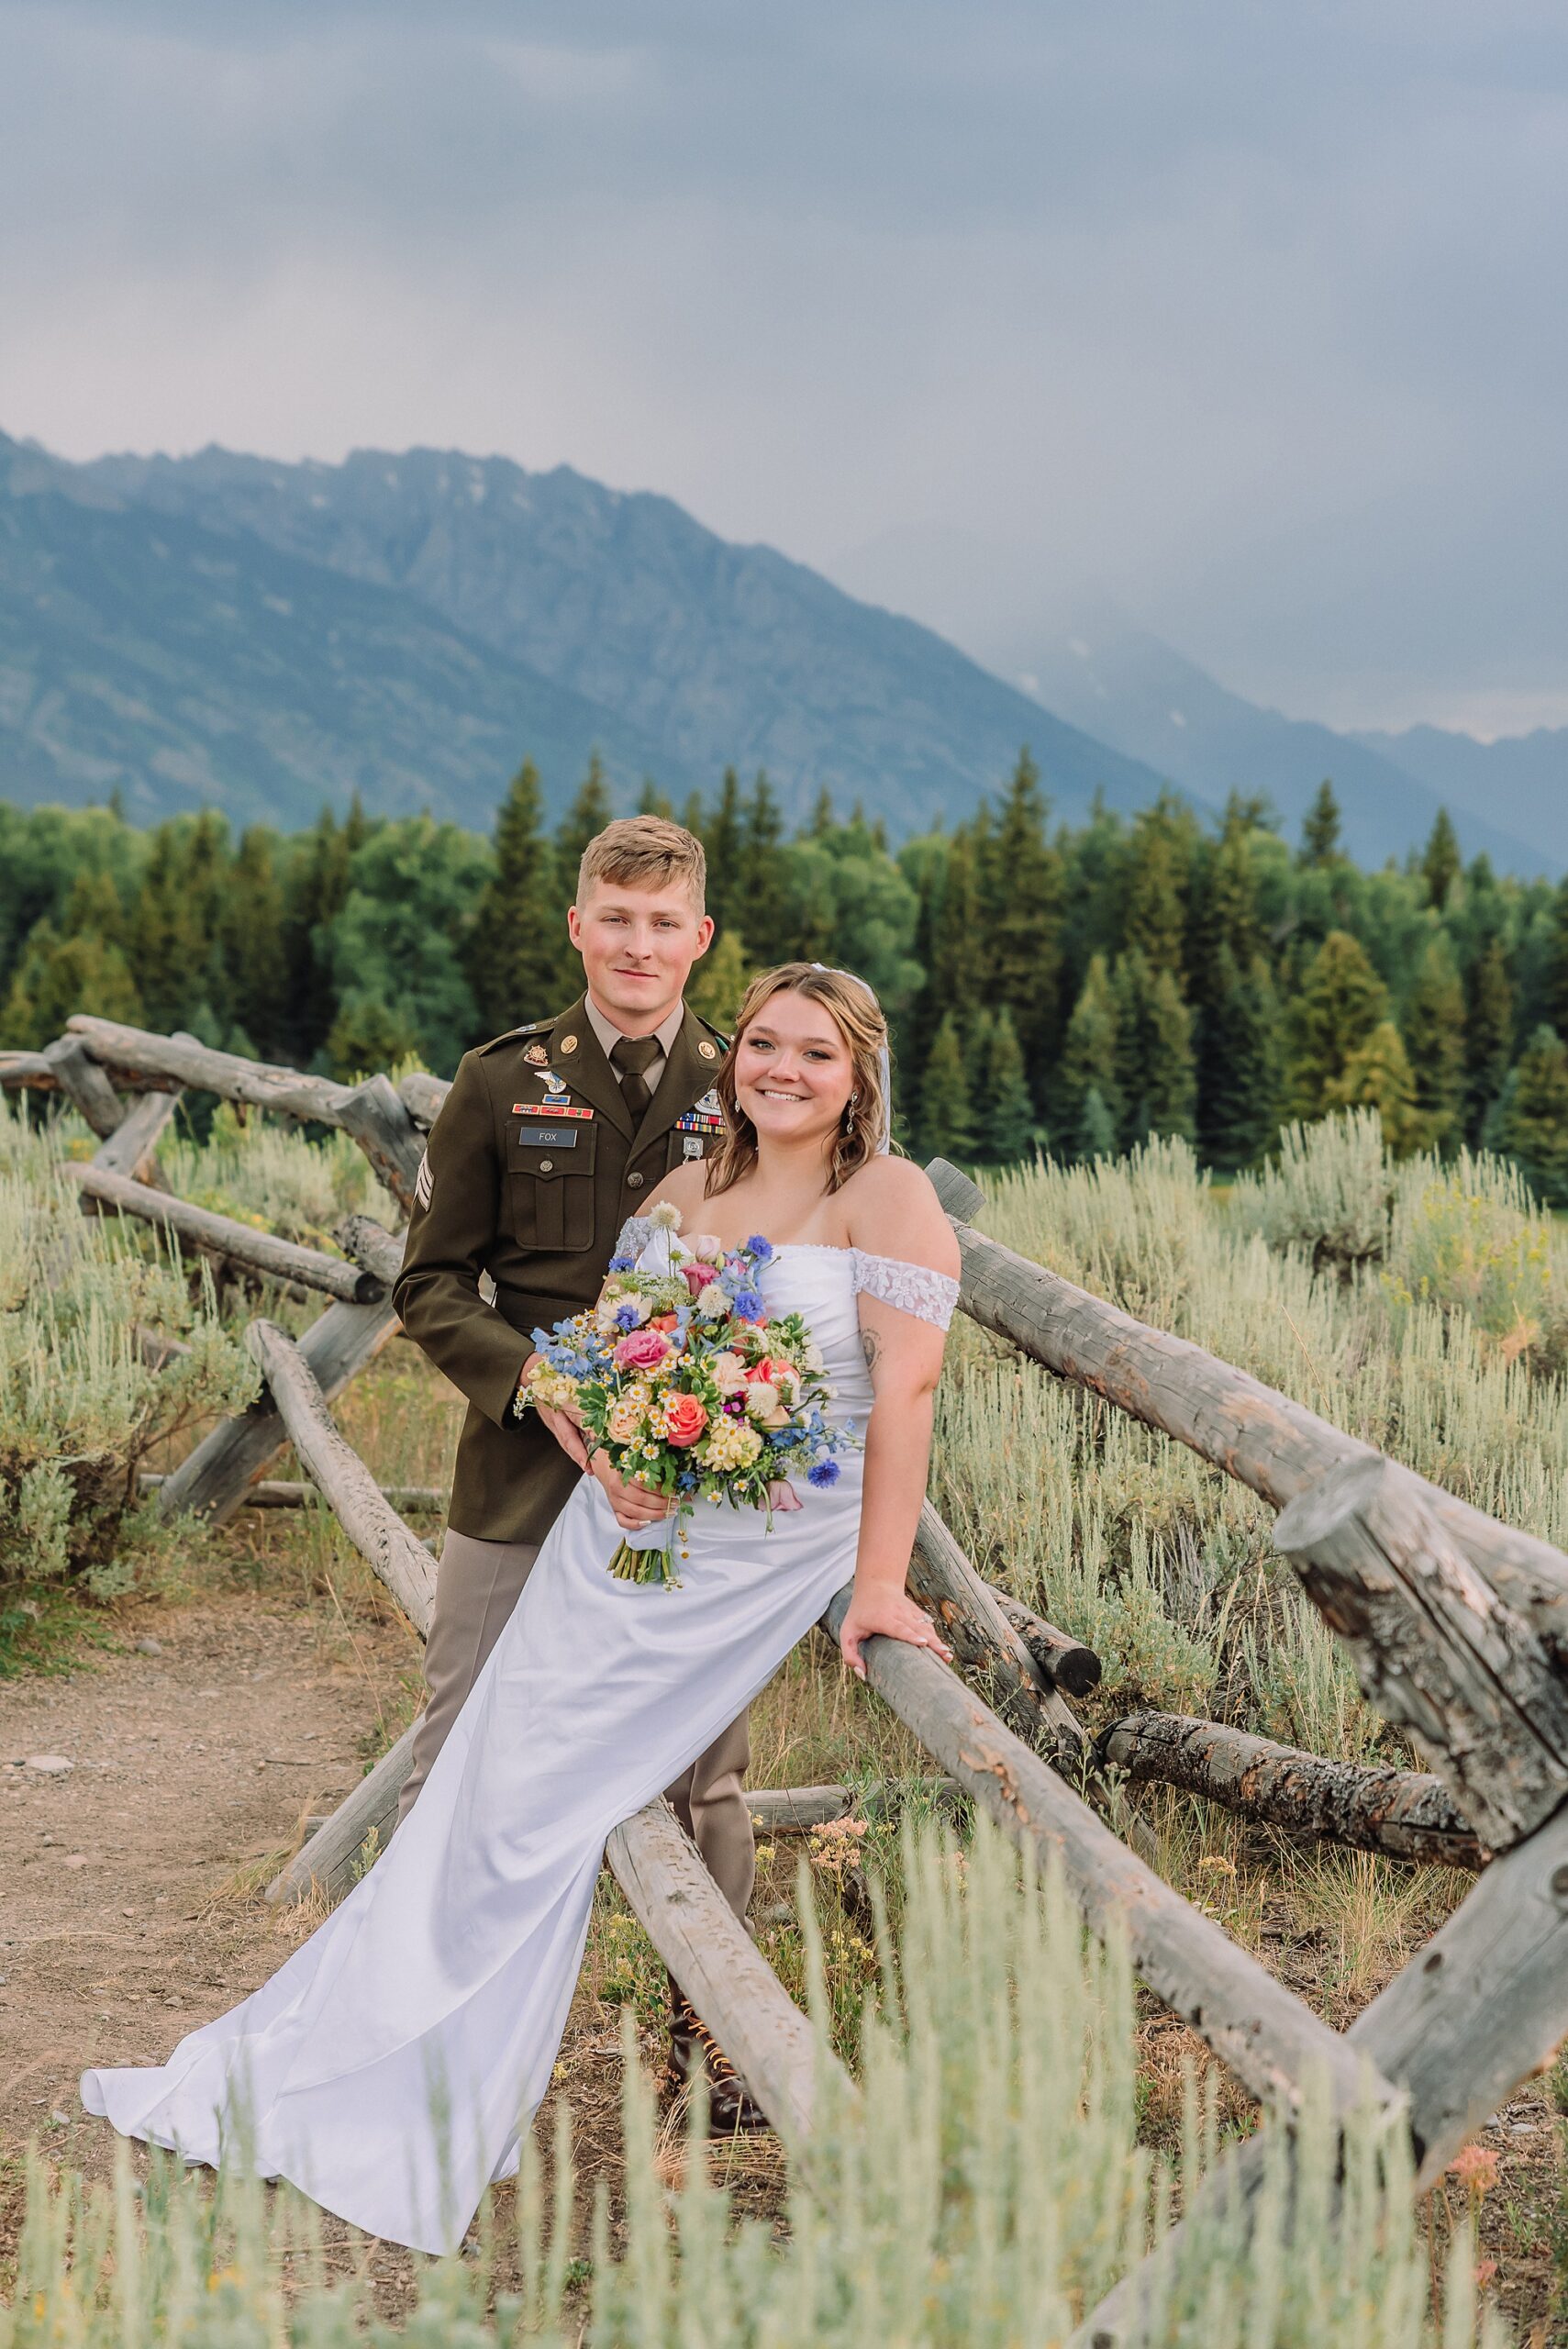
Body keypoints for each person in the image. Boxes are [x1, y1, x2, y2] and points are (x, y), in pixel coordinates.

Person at [82, 962, 960, 2256]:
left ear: (858, 1076)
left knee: (541, 1798)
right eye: (762, 1043)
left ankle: (429, 2072)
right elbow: (608, 1357)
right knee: (498, 1796)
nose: (778, 1068)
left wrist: (878, 1583)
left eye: (812, 1054)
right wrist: (622, 1452)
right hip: (627, 1534)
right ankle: (373, 2069)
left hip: (765, 1545)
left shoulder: (884, 1195)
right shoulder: (688, 1190)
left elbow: (906, 1395)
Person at [392, 813, 759, 2121]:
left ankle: (709, 2056)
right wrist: (537, 1383)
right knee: (462, 1746)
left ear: (699, 938)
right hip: (522, 1472)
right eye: (616, 918)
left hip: (686, 1486)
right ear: (578, 927)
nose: (638, 944)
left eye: (664, 923)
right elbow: (428, 1283)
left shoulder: (748, 1083)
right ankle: (414, 2037)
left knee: (702, 1773)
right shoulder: (502, 1083)